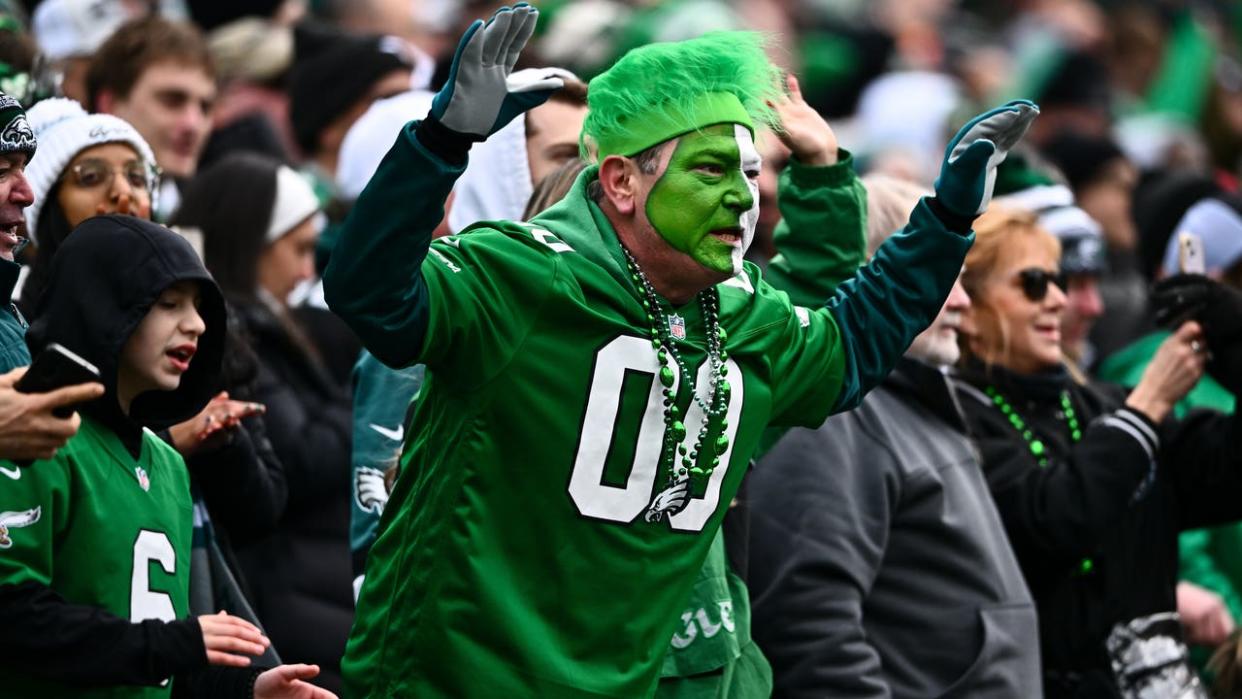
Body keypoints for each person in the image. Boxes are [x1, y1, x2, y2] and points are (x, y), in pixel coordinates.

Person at [324, 5, 1037, 696]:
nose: (742, 199)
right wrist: (441, 144)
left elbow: (848, 349)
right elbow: (371, 297)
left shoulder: (744, 314)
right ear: (623, 181)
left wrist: (944, 221)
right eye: (709, 172)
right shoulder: (519, 274)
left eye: (750, 173)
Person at [0, 213, 332, 698]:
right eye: (168, 303)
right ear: (104, 309)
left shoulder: (169, 463)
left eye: (199, 307)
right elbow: (13, 617)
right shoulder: (34, 437)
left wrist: (248, 691)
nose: (195, 324)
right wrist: (175, 642)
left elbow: (158, 666)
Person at [747, 174, 1041, 698]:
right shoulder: (834, 419)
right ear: (876, 280)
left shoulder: (919, 402)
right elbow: (807, 621)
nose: (964, 304)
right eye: (939, 274)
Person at [951, 206, 1242, 697]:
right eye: (1035, 284)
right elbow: (1053, 520)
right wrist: (1147, 404)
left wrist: (1235, 347)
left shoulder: (1098, 405)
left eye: (1059, 282)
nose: (1060, 301)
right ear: (970, 310)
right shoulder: (956, 419)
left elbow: (1231, 473)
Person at [173, 152, 353, 693]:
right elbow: (297, 459)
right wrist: (373, 388)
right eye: (297, 249)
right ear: (249, 241)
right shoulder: (230, 343)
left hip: (308, 595)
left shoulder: (273, 329)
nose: (306, 272)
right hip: (285, 601)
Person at [19, 96, 158, 314]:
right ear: (49, 207)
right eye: (91, 177)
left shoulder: (194, 315)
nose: (123, 192)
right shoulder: (14, 327)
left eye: (137, 177)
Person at [86, 15, 216, 217]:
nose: (194, 124)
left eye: (205, 108)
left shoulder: (200, 212)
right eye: (172, 100)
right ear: (110, 104)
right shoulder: (74, 217)